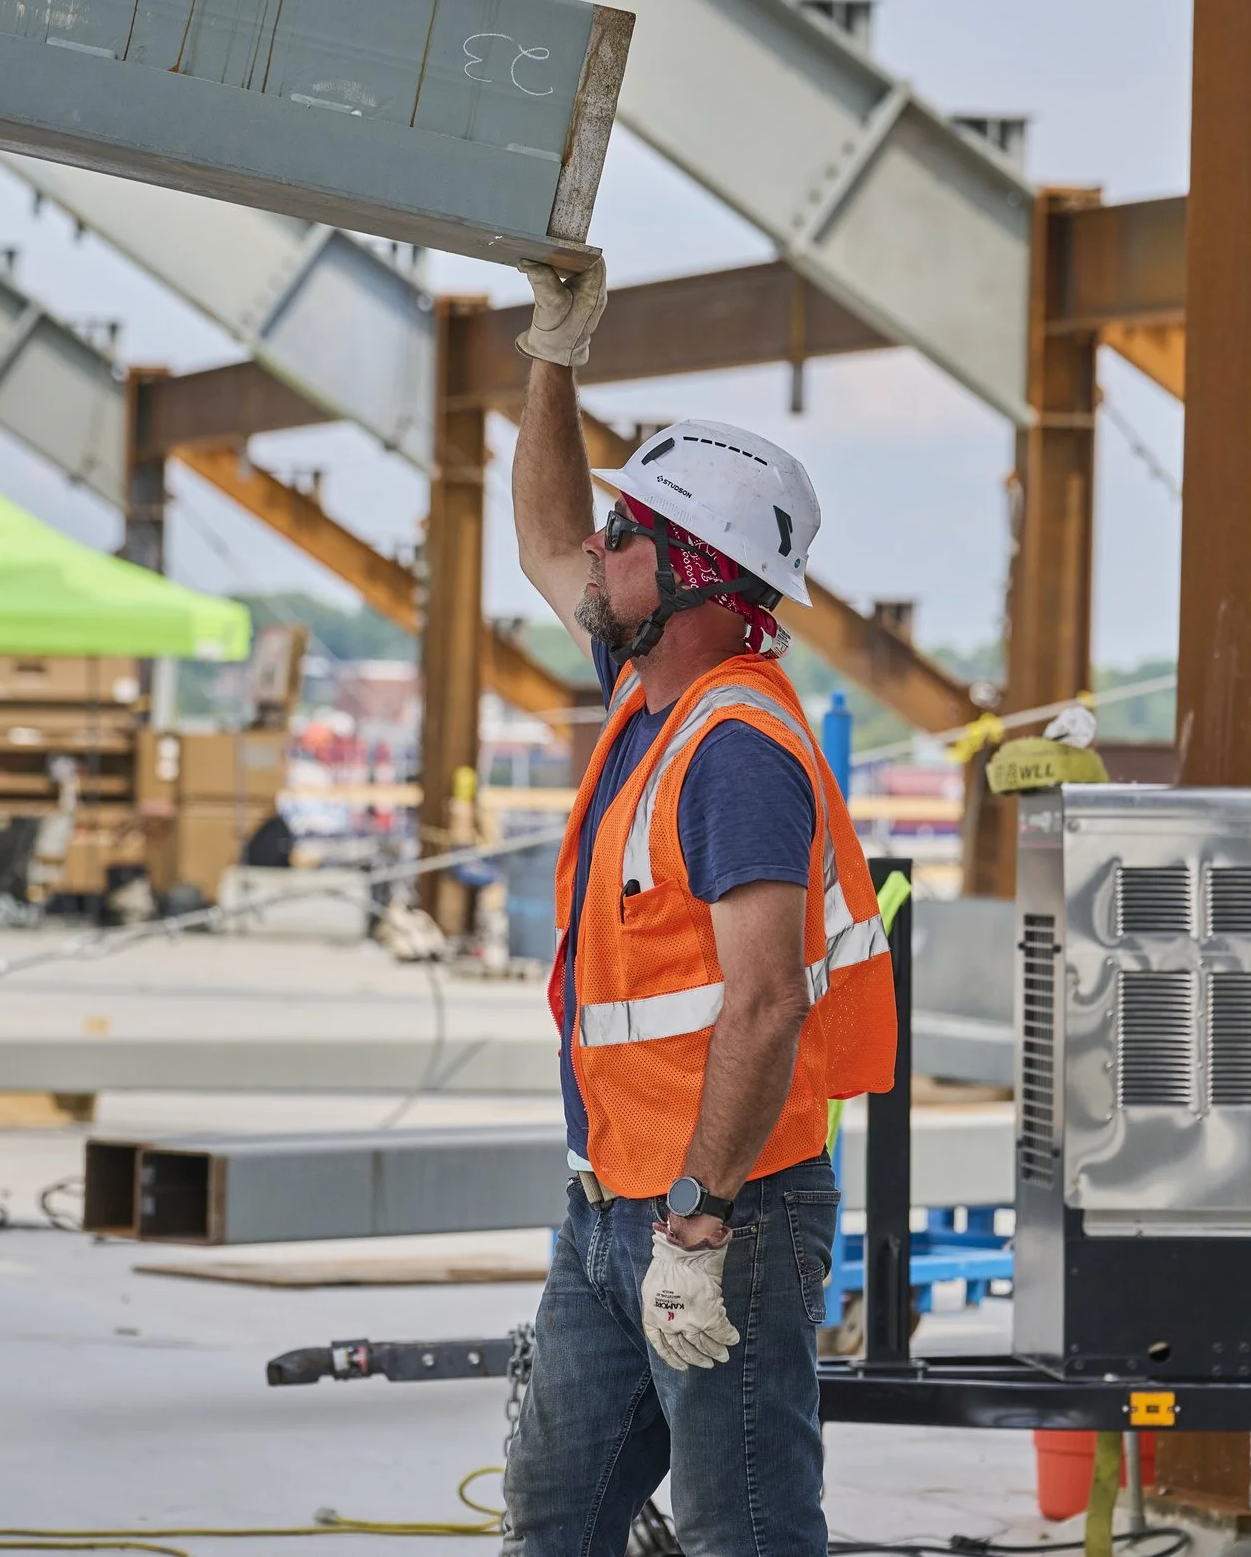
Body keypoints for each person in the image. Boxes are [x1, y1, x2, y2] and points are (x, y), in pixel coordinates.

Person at [500, 259, 897, 1555]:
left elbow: (769, 997)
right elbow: (543, 532)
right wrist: (555, 348)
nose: (597, 548)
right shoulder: (650, 689)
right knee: (555, 1523)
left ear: (692, 577)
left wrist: (699, 1221)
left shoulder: (734, 747)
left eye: (628, 533)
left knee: (748, 1527)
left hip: (719, 1211)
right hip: (611, 1204)